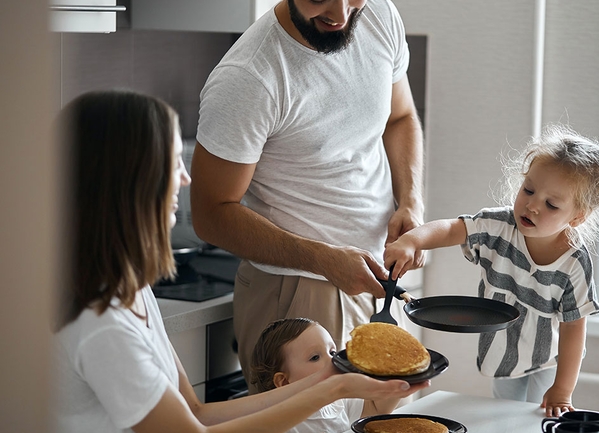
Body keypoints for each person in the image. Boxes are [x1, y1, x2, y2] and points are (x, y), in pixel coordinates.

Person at [52, 89, 429, 433]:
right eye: (173, 163)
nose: (185, 179)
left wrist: (330, 384)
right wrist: (335, 388)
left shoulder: (131, 290)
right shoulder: (102, 325)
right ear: (129, 183)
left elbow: (196, 411)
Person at [191, 0, 425, 391]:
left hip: (374, 282)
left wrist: (410, 202)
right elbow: (210, 214)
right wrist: (322, 258)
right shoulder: (249, 76)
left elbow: (400, 117)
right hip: (299, 292)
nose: (340, 13)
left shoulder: (379, 14)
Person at [383, 124, 599, 416]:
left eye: (551, 204)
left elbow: (573, 329)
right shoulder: (500, 226)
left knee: (537, 419)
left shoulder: (573, 263)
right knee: (506, 416)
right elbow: (453, 229)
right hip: (502, 353)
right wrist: (411, 240)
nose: (532, 205)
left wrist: (563, 389)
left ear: (577, 217)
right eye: (528, 189)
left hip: (548, 360)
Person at [250, 318, 406, 433]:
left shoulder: (337, 401)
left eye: (332, 352)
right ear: (284, 382)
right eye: (315, 357)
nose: (333, 360)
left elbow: (376, 409)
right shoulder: (283, 425)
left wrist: (401, 371)